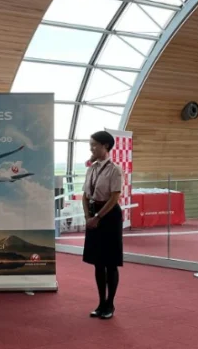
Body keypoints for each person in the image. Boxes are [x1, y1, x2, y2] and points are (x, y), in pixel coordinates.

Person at [82, 130, 123, 320]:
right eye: (91, 144)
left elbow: (115, 197)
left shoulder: (115, 170)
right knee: (98, 263)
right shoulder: (91, 168)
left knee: (110, 262)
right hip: (92, 214)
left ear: (105, 146)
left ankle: (110, 304)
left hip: (108, 216)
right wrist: (87, 215)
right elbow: (85, 194)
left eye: (94, 144)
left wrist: (97, 217)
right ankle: (100, 303)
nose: (91, 148)